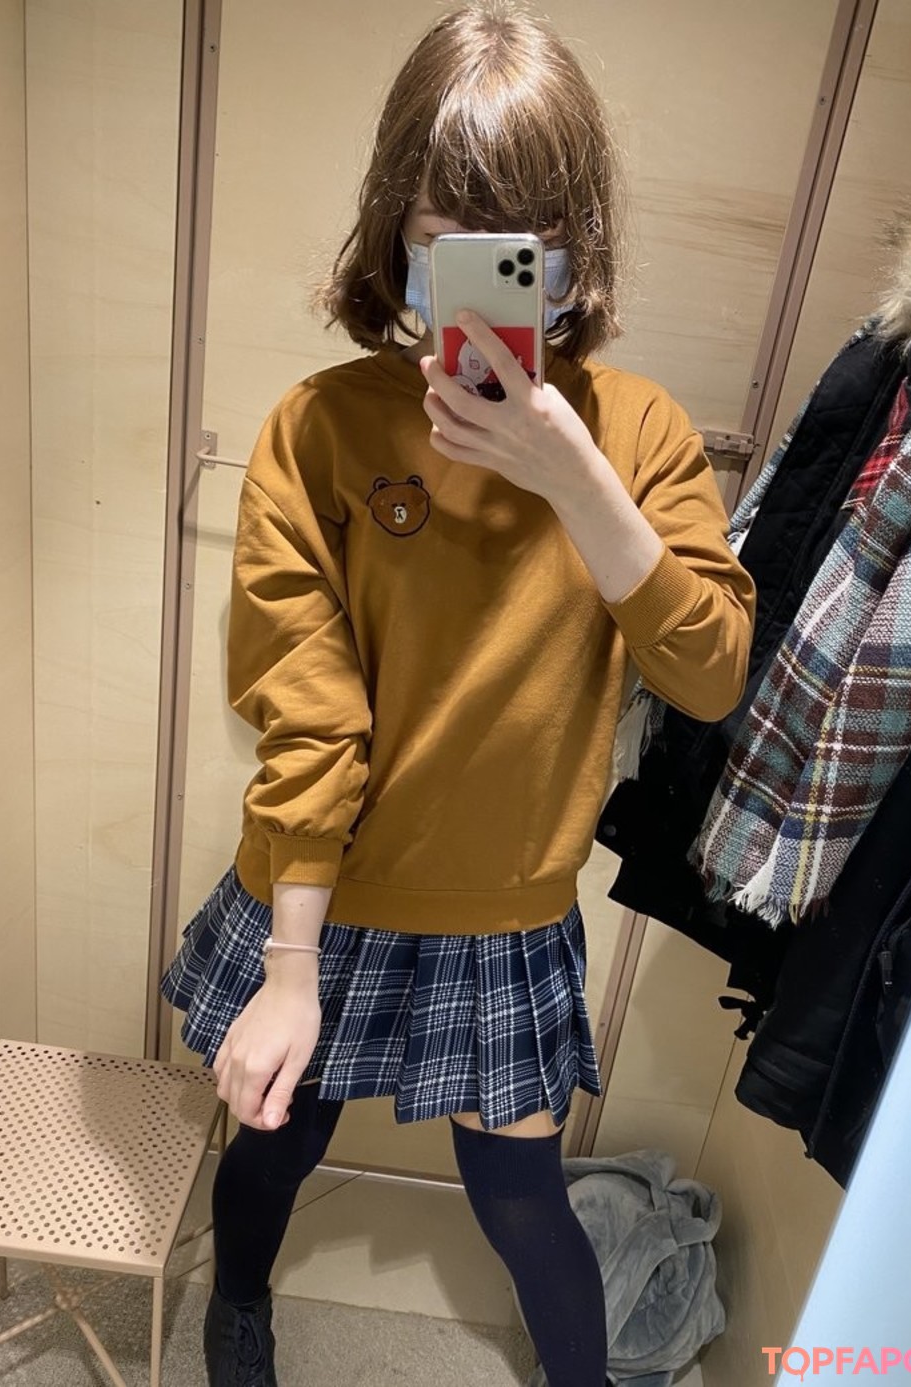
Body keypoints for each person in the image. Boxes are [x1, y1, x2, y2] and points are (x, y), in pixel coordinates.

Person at [160, 4, 756, 1384]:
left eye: (521, 252)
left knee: (520, 1194)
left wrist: (575, 478)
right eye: (449, 247)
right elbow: (310, 710)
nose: (485, 287)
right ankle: (238, 1307)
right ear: (394, 237)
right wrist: (291, 971)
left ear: (574, 252)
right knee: (278, 1138)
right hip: (324, 887)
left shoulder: (637, 435)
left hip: (507, 906)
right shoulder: (319, 429)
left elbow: (711, 673)